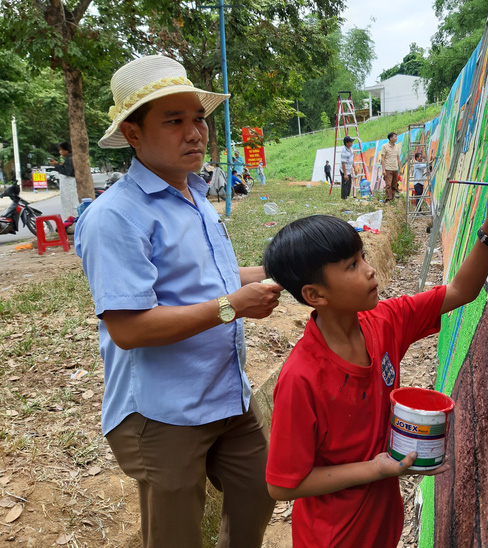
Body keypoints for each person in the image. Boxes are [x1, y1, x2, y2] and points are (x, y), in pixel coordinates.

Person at [74, 54, 282, 548]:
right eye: (174, 121)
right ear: (132, 134)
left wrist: (293, 267)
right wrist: (232, 306)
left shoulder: (193, 196)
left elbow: (220, 280)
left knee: (262, 487)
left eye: (198, 119)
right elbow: (129, 328)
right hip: (163, 412)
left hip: (227, 394)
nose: (194, 133)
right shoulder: (116, 217)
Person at [263, 174, 488, 547]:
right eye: (351, 265)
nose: (369, 270)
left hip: (382, 523)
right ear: (314, 294)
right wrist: (374, 469)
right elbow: (282, 484)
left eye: (363, 256)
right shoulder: (301, 378)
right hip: (334, 536)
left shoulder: (385, 321)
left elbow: (461, 290)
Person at [48, 141, 79, 220]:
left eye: (61, 150)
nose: (60, 152)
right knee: (69, 203)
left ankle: (72, 220)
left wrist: (56, 165)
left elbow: (67, 172)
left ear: (66, 150)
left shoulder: (70, 158)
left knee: (71, 203)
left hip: (70, 184)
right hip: (68, 184)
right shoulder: (69, 158)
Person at [381, 132, 401, 202]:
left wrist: (400, 169)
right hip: (388, 168)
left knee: (394, 185)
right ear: (391, 138)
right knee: (388, 184)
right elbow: (383, 158)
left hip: (395, 168)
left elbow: (398, 158)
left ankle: (392, 198)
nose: (396, 138)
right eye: (395, 137)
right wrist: (383, 170)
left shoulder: (397, 147)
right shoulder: (384, 146)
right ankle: (388, 199)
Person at [340, 135, 354, 200]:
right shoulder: (344, 152)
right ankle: (344, 197)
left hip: (349, 169)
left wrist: (355, 168)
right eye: (351, 142)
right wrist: (345, 174)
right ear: (347, 143)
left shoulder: (351, 149)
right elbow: (343, 163)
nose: (352, 143)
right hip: (344, 170)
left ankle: (347, 196)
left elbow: (352, 159)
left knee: (349, 183)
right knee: (345, 183)